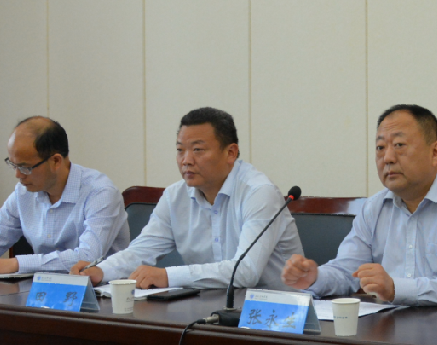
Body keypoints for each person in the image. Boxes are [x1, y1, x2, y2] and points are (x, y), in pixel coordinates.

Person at [282, 104, 437, 305]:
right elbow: (347, 272)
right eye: (380, 147)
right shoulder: (374, 208)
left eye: (399, 145)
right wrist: (315, 278)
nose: (387, 158)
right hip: (391, 327)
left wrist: (396, 289)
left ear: (435, 153)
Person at [71, 107, 301, 290]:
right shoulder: (175, 196)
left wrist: (167, 276)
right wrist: (101, 271)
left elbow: (245, 272)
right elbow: (141, 251)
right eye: (180, 150)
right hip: (211, 306)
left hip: (277, 313)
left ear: (230, 153)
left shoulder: (259, 193)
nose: (186, 160)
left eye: (198, 150)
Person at [0, 116, 129, 276]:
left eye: (25, 167)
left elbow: (88, 257)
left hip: (99, 295)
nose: (18, 175)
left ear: (56, 161)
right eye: (13, 165)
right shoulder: (24, 192)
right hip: (41, 292)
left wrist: (16, 264)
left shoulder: (100, 193)